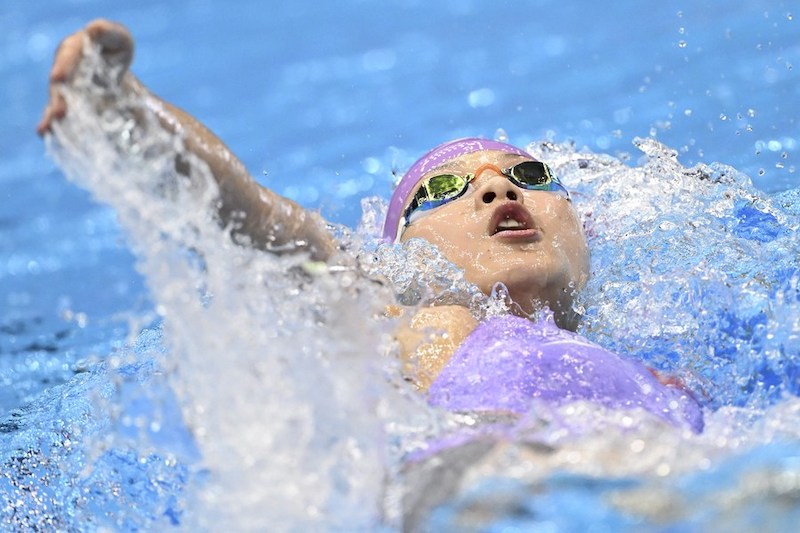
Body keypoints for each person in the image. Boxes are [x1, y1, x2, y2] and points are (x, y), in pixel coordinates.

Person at [38, 19, 703, 432]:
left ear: (585, 226)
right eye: (444, 187)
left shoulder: (662, 376)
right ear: (400, 252)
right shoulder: (403, 316)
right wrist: (129, 110)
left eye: (531, 176)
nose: (498, 185)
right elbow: (264, 223)